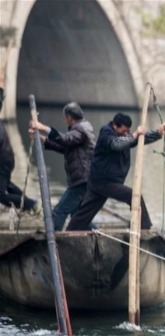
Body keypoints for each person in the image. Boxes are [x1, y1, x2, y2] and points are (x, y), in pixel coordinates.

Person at [65, 112, 165, 231]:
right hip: (103, 182)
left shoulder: (126, 135)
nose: (126, 133)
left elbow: (138, 138)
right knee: (134, 196)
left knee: (85, 213)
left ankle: (70, 232)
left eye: (128, 131)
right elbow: (116, 144)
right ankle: (145, 228)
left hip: (102, 182)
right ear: (114, 126)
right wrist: (134, 134)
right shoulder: (106, 133)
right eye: (123, 131)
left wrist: (158, 133)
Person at [29, 102, 96, 230]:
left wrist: (42, 127)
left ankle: (53, 240)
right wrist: (43, 139)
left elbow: (65, 140)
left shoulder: (80, 130)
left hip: (81, 181)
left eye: (65, 117)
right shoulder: (80, 128)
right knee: (78, 216)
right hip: (82, 180)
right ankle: (98, 234)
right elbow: (65, 147)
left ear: (69, 117)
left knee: (59, 211)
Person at [0, 75, 38, 213]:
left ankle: (29, 204)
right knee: (6, 185)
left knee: (1, 194)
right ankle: (30, 203)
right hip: (7, 160)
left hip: (3, 162)